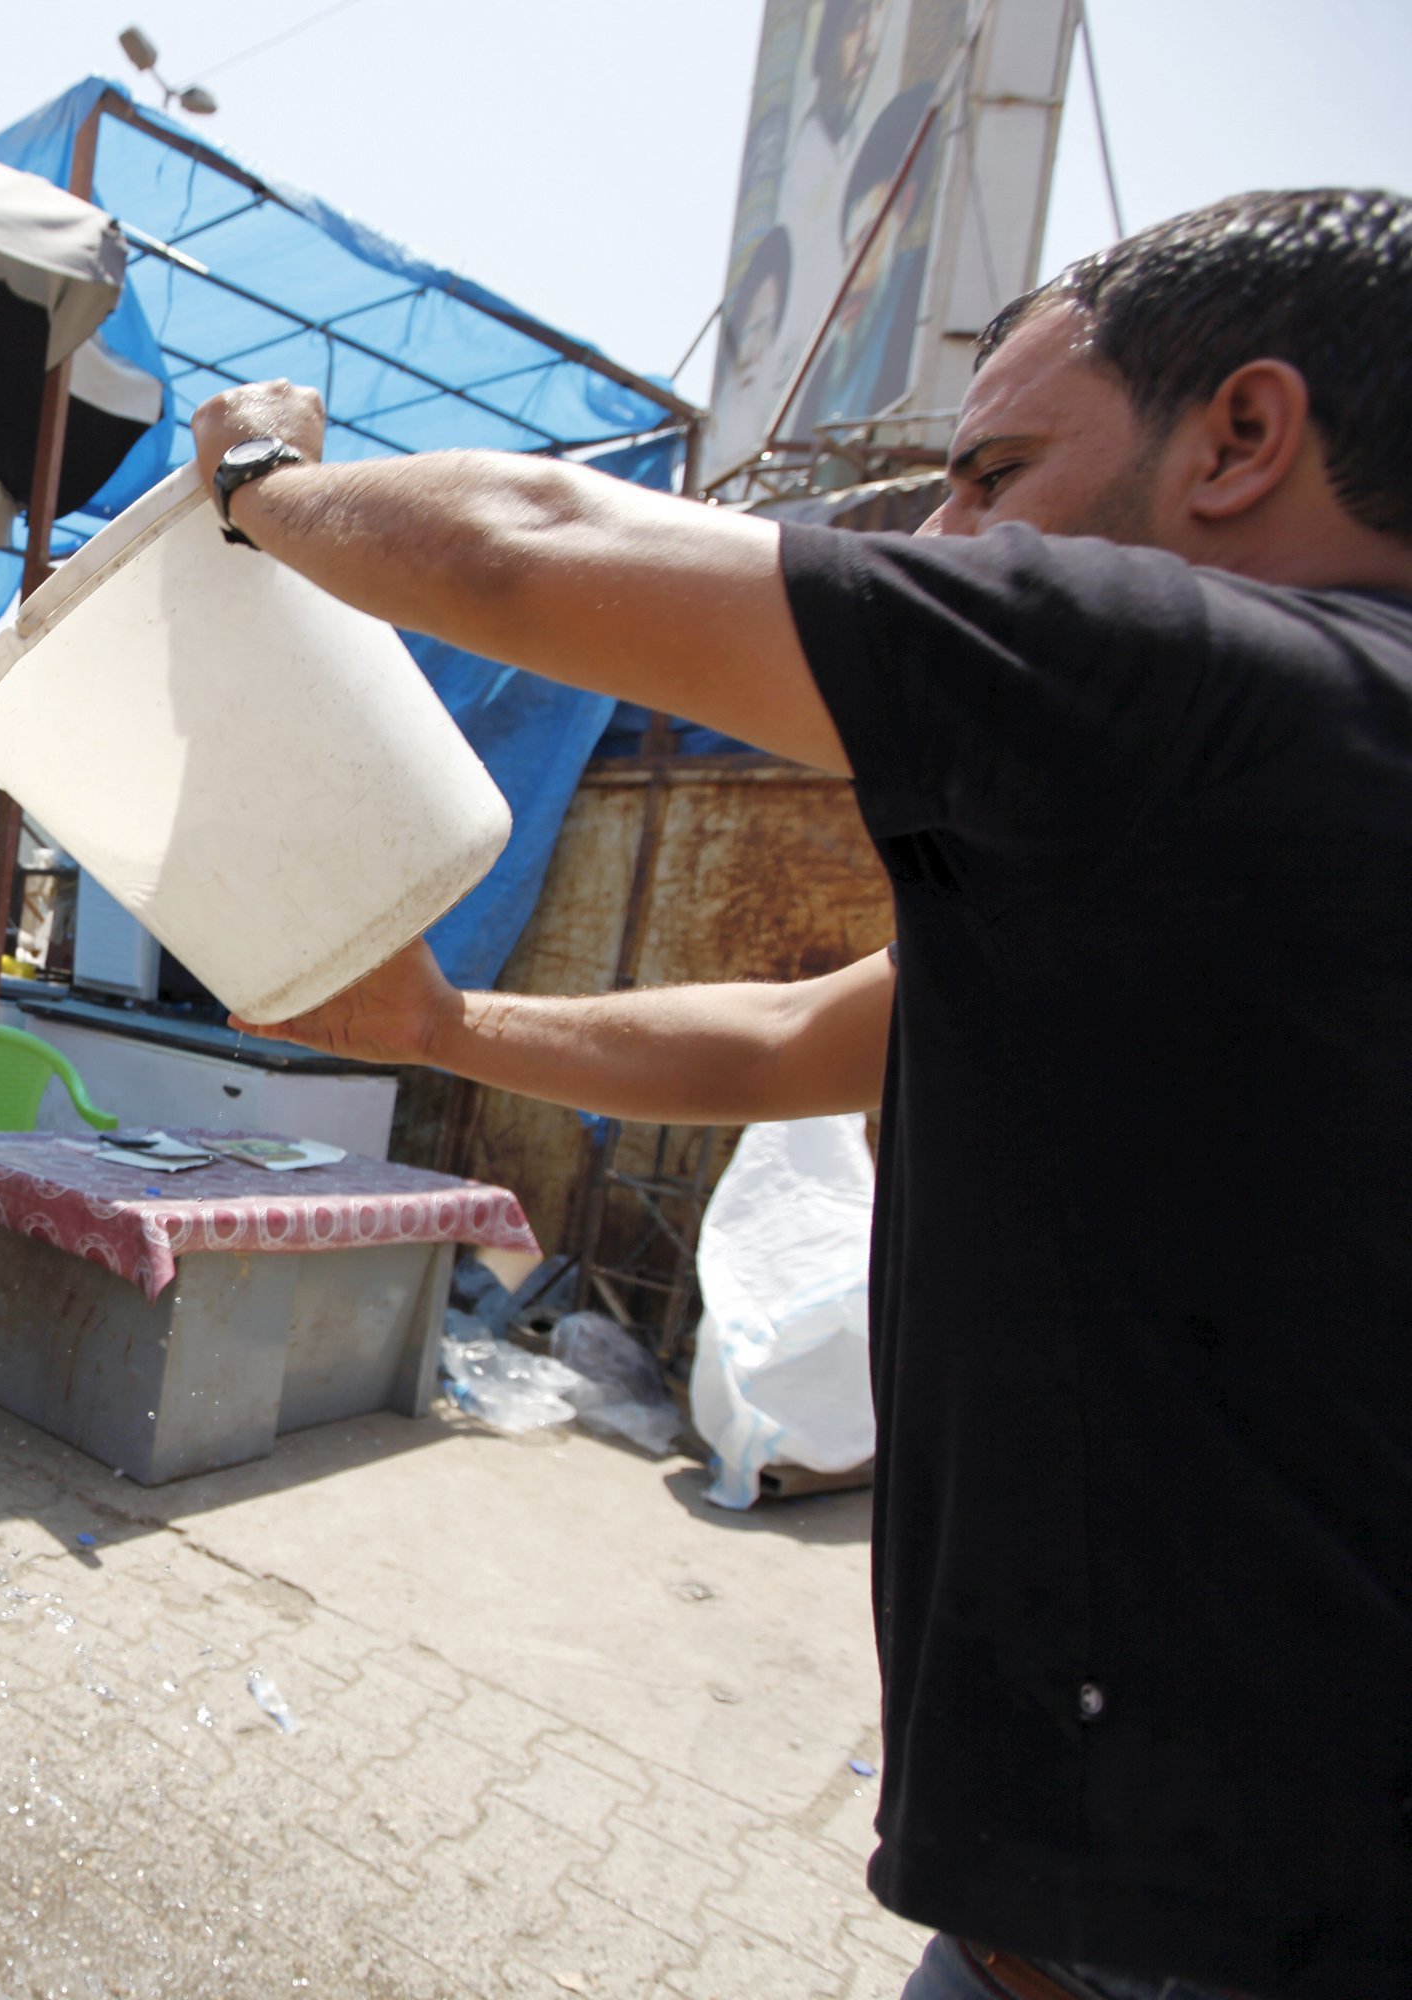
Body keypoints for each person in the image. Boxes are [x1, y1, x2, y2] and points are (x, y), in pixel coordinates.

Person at [191, 188, 1412, 2000]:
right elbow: (790, 1045)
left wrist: (267, 489)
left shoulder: (1216, 685)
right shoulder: (1261, 826)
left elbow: (523, 545)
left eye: (996, 470)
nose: (948, 527)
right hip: (1111, 1926)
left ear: (1242, 434)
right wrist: (445, 1024)